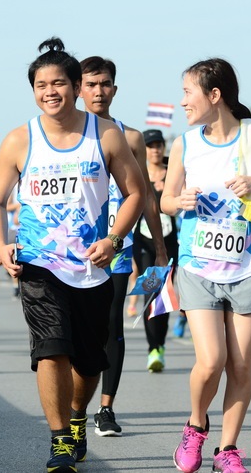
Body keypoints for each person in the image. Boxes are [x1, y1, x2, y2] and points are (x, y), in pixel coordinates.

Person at [0, 38, 144, 473]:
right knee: (50, 350)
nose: (49, 91)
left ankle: (76, 417)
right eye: (41, 85)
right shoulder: (19, 140)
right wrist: (0, 244)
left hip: (92, 266)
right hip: (39, 263)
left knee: (89, 362)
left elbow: (136, 193)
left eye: (58, 83)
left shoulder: (105, 135)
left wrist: (114, 239)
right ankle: (59, 441)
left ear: (76, 87)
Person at [161, 58, 251, 473]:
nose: (182, 101)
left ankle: (227, 449)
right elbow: (165, 200)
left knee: (240, 364)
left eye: (188, 92)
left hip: (247, 266)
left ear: (214, 95)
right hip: (199, 266)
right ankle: (195, 426)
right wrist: (179, 200)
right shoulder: (185, 144)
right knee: (211, 360)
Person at [79, 55, 168, 438]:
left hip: (116, 248)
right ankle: (75, 408)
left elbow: (145, 195)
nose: (98, 91)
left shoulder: (130, 138)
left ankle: (106, 408)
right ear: (78, 89)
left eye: (105, 84)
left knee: (111, 324)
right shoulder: (67, 136)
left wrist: (160, 248)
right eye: (91, 84)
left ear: (114, 89)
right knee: (76, 332)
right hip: (71, 251)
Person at [134, 129, 179, 374]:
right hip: (144, 244)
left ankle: (160, 345)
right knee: (150, 294)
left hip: (169, 244)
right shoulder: (138, 172)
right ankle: (152, 348)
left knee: (164, 295)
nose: (155, 150)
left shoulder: (173, 172)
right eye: (150, 146)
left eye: (158, 145)